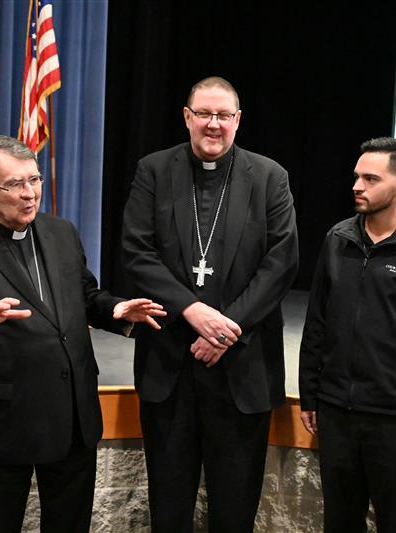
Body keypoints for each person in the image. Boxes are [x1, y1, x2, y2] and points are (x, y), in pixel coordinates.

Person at [0, 135, 165, 533]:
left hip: (72, 417)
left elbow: (82, 295)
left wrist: (115, 310)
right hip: (0, 424)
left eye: (35, 180)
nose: (29, 194)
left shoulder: (61, 232)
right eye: (14, 185)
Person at [121, 76, 299, 532]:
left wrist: (227, 328)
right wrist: (193, 311)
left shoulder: (269, 177)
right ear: (187, 117)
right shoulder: (154, 171)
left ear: (238, 121)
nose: (213, 124)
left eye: (224, 115)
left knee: (235, 512)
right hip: (170, 369)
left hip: (242, 369)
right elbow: (137, 254)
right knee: (169, 508)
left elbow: (281, 264)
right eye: (204, 114)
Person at [298, 137, 396, 532]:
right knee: (339, 522)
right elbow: (316, 321)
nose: (357, 186)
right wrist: (310, 394)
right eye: (356, 177)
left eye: (371, 179)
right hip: (337, 412)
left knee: (394, 523)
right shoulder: (338, 240)